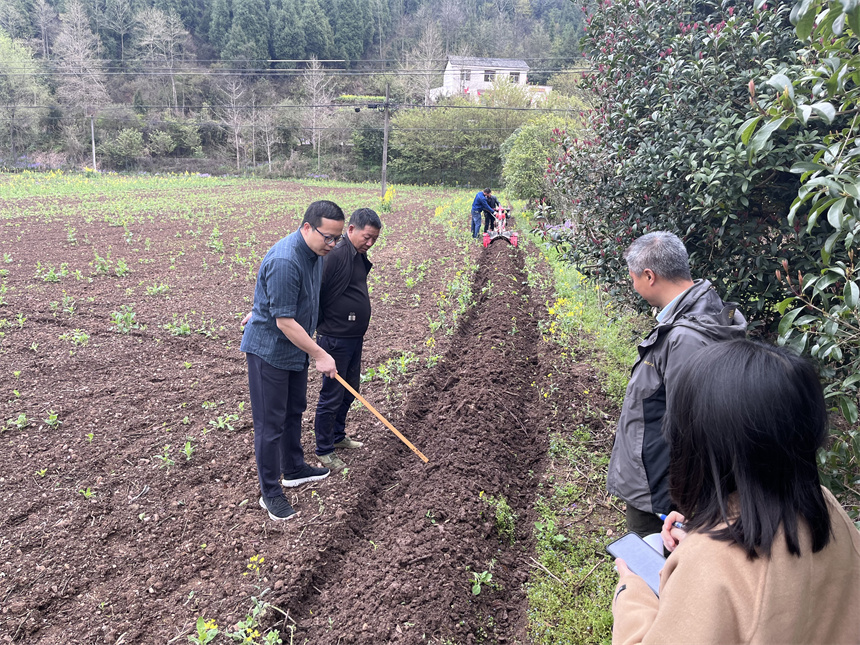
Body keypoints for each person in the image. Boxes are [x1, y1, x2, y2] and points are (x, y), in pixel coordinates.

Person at [611, 340, 860, 644]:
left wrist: (632, 590)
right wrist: (712, 528)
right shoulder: (826, 507)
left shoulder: (710, 565)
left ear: (694, 445)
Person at [606, 231, 747, 537]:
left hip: (664, 491)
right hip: (669, 485)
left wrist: (682, 502)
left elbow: (691, 427)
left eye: (633, 278)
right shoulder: (705, 313)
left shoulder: (686, 338)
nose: (633, 286)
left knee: (652, 565)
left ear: (649, 276)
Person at [240, 200, 345, 522]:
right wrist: (321, 354)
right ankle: (270, 492)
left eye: (337, 238)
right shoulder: (287, 260)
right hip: (270, 351)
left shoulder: (315, 254)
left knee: (294, 411)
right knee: (270, 425)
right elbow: (284, 321)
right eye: (328, 237)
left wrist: (261, 308)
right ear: (307, 228)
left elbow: (290, 301)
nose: (333, 244)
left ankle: (294, 468)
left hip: (293, 349)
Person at [313, 208, 382, 472]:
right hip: (335, 338)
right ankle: (324, 449)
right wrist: (324, 326)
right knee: (332, 394)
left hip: (353, 337)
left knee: (350, 389)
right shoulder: (337, 255)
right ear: (351, 230)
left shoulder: (357, 254)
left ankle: (338, 436)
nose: (370, 242)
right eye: (367, 237)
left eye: (374, 238)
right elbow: (318, 291)